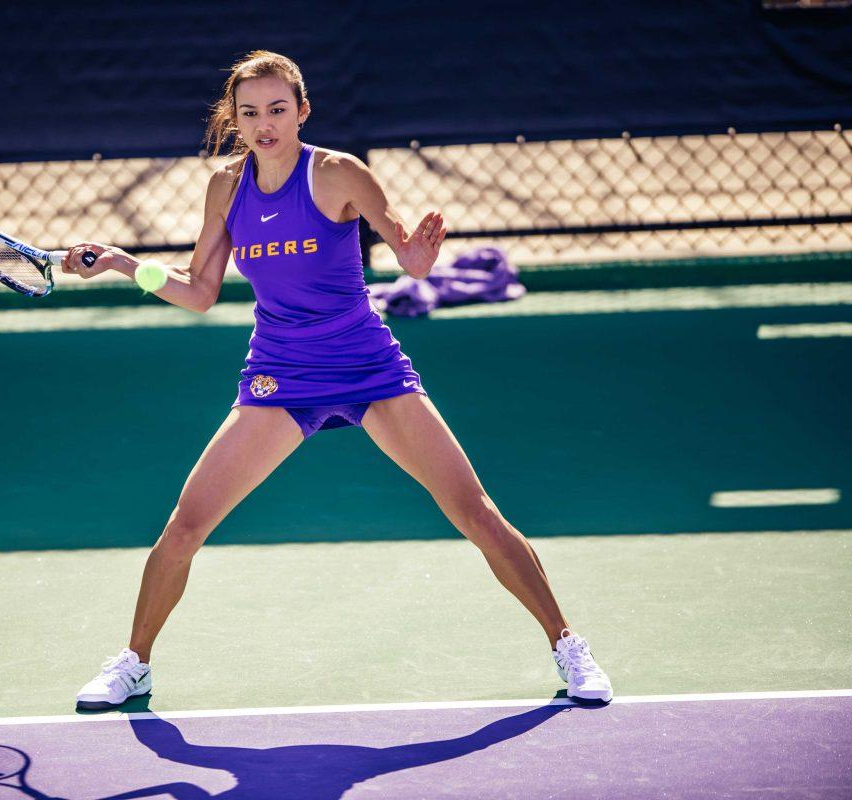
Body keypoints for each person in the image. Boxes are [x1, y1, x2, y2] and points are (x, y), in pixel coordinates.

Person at [61, 51, 612, 710]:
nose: (264, 124)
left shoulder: (338, 173)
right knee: (184, 528)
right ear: (234, 120)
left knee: (475, 513)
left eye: (277, 109)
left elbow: (405, 252)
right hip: (280, 375)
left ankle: (567, 644)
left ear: (302, 110)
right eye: (250, 113)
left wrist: (418, 260)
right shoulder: (225, 188)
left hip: (366, 368)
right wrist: (126, 265)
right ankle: (135, 663)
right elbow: (200, 291)